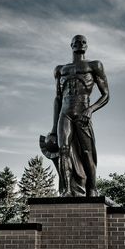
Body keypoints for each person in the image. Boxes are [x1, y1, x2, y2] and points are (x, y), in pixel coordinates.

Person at [42, 35, 109, 197]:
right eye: (77, 42)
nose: (80, 44)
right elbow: (57, 98)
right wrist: (52, 128)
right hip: (65, 114)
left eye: (84, 42)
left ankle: (92, 189)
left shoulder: (94, 65)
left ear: (87, 46)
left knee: (87, 152)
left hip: (82, 113)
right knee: (63, 150)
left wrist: (91, 109)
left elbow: (106, 95)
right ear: (71, 45)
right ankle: (66, 190)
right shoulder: (60, 69)